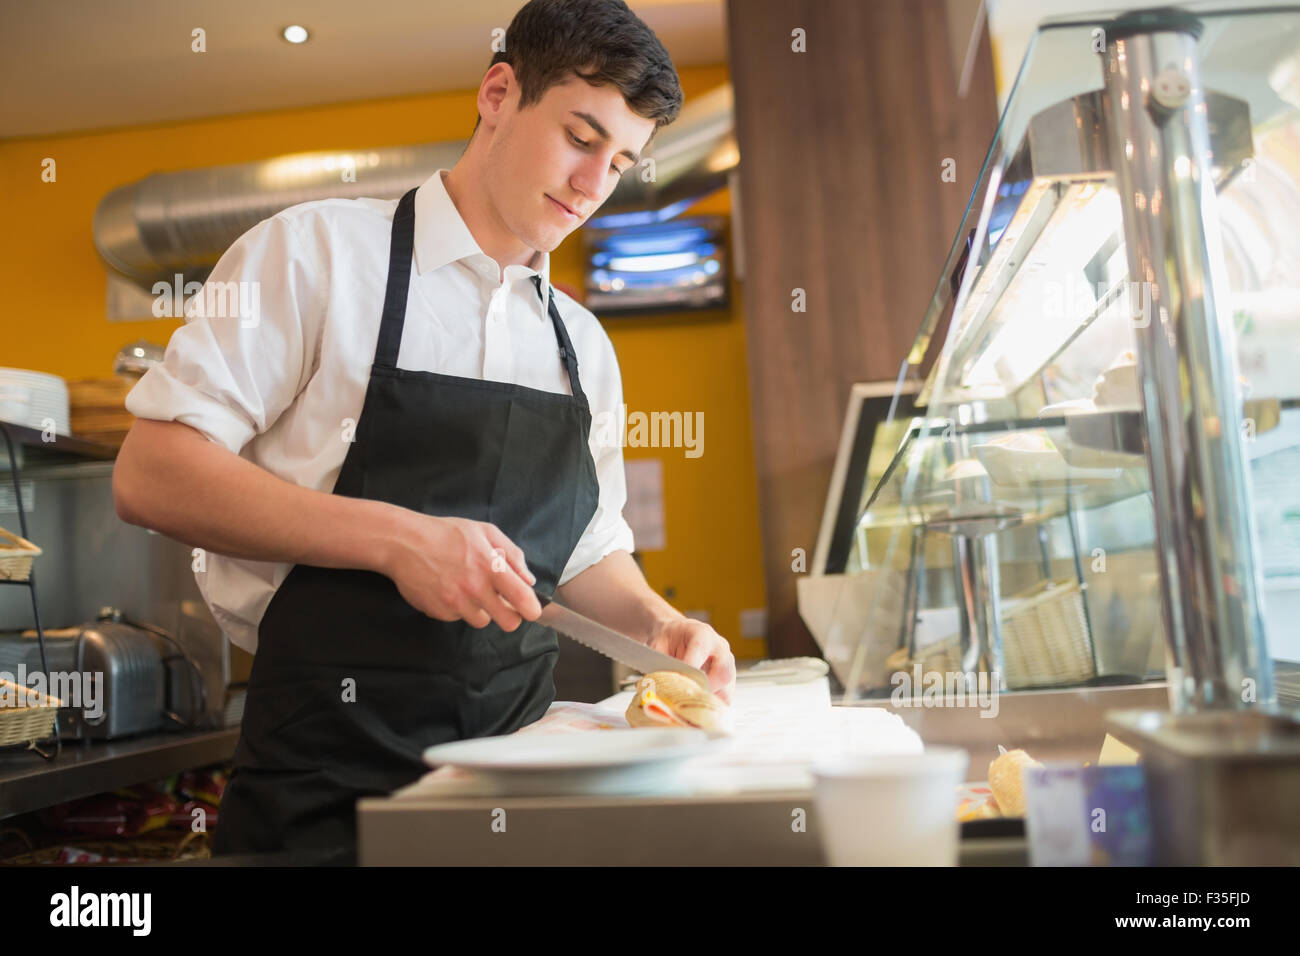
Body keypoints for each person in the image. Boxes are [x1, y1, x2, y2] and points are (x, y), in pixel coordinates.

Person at [112, 0, 736, 864]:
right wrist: (399, 539)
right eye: (580, 137)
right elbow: (151, 474)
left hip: (519, 787)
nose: (595, 185)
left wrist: (655, 623)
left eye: (622, 161)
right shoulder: (314, 255)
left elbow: (589, 544)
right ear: (498, 92)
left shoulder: (583, 345)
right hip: (323, 791)